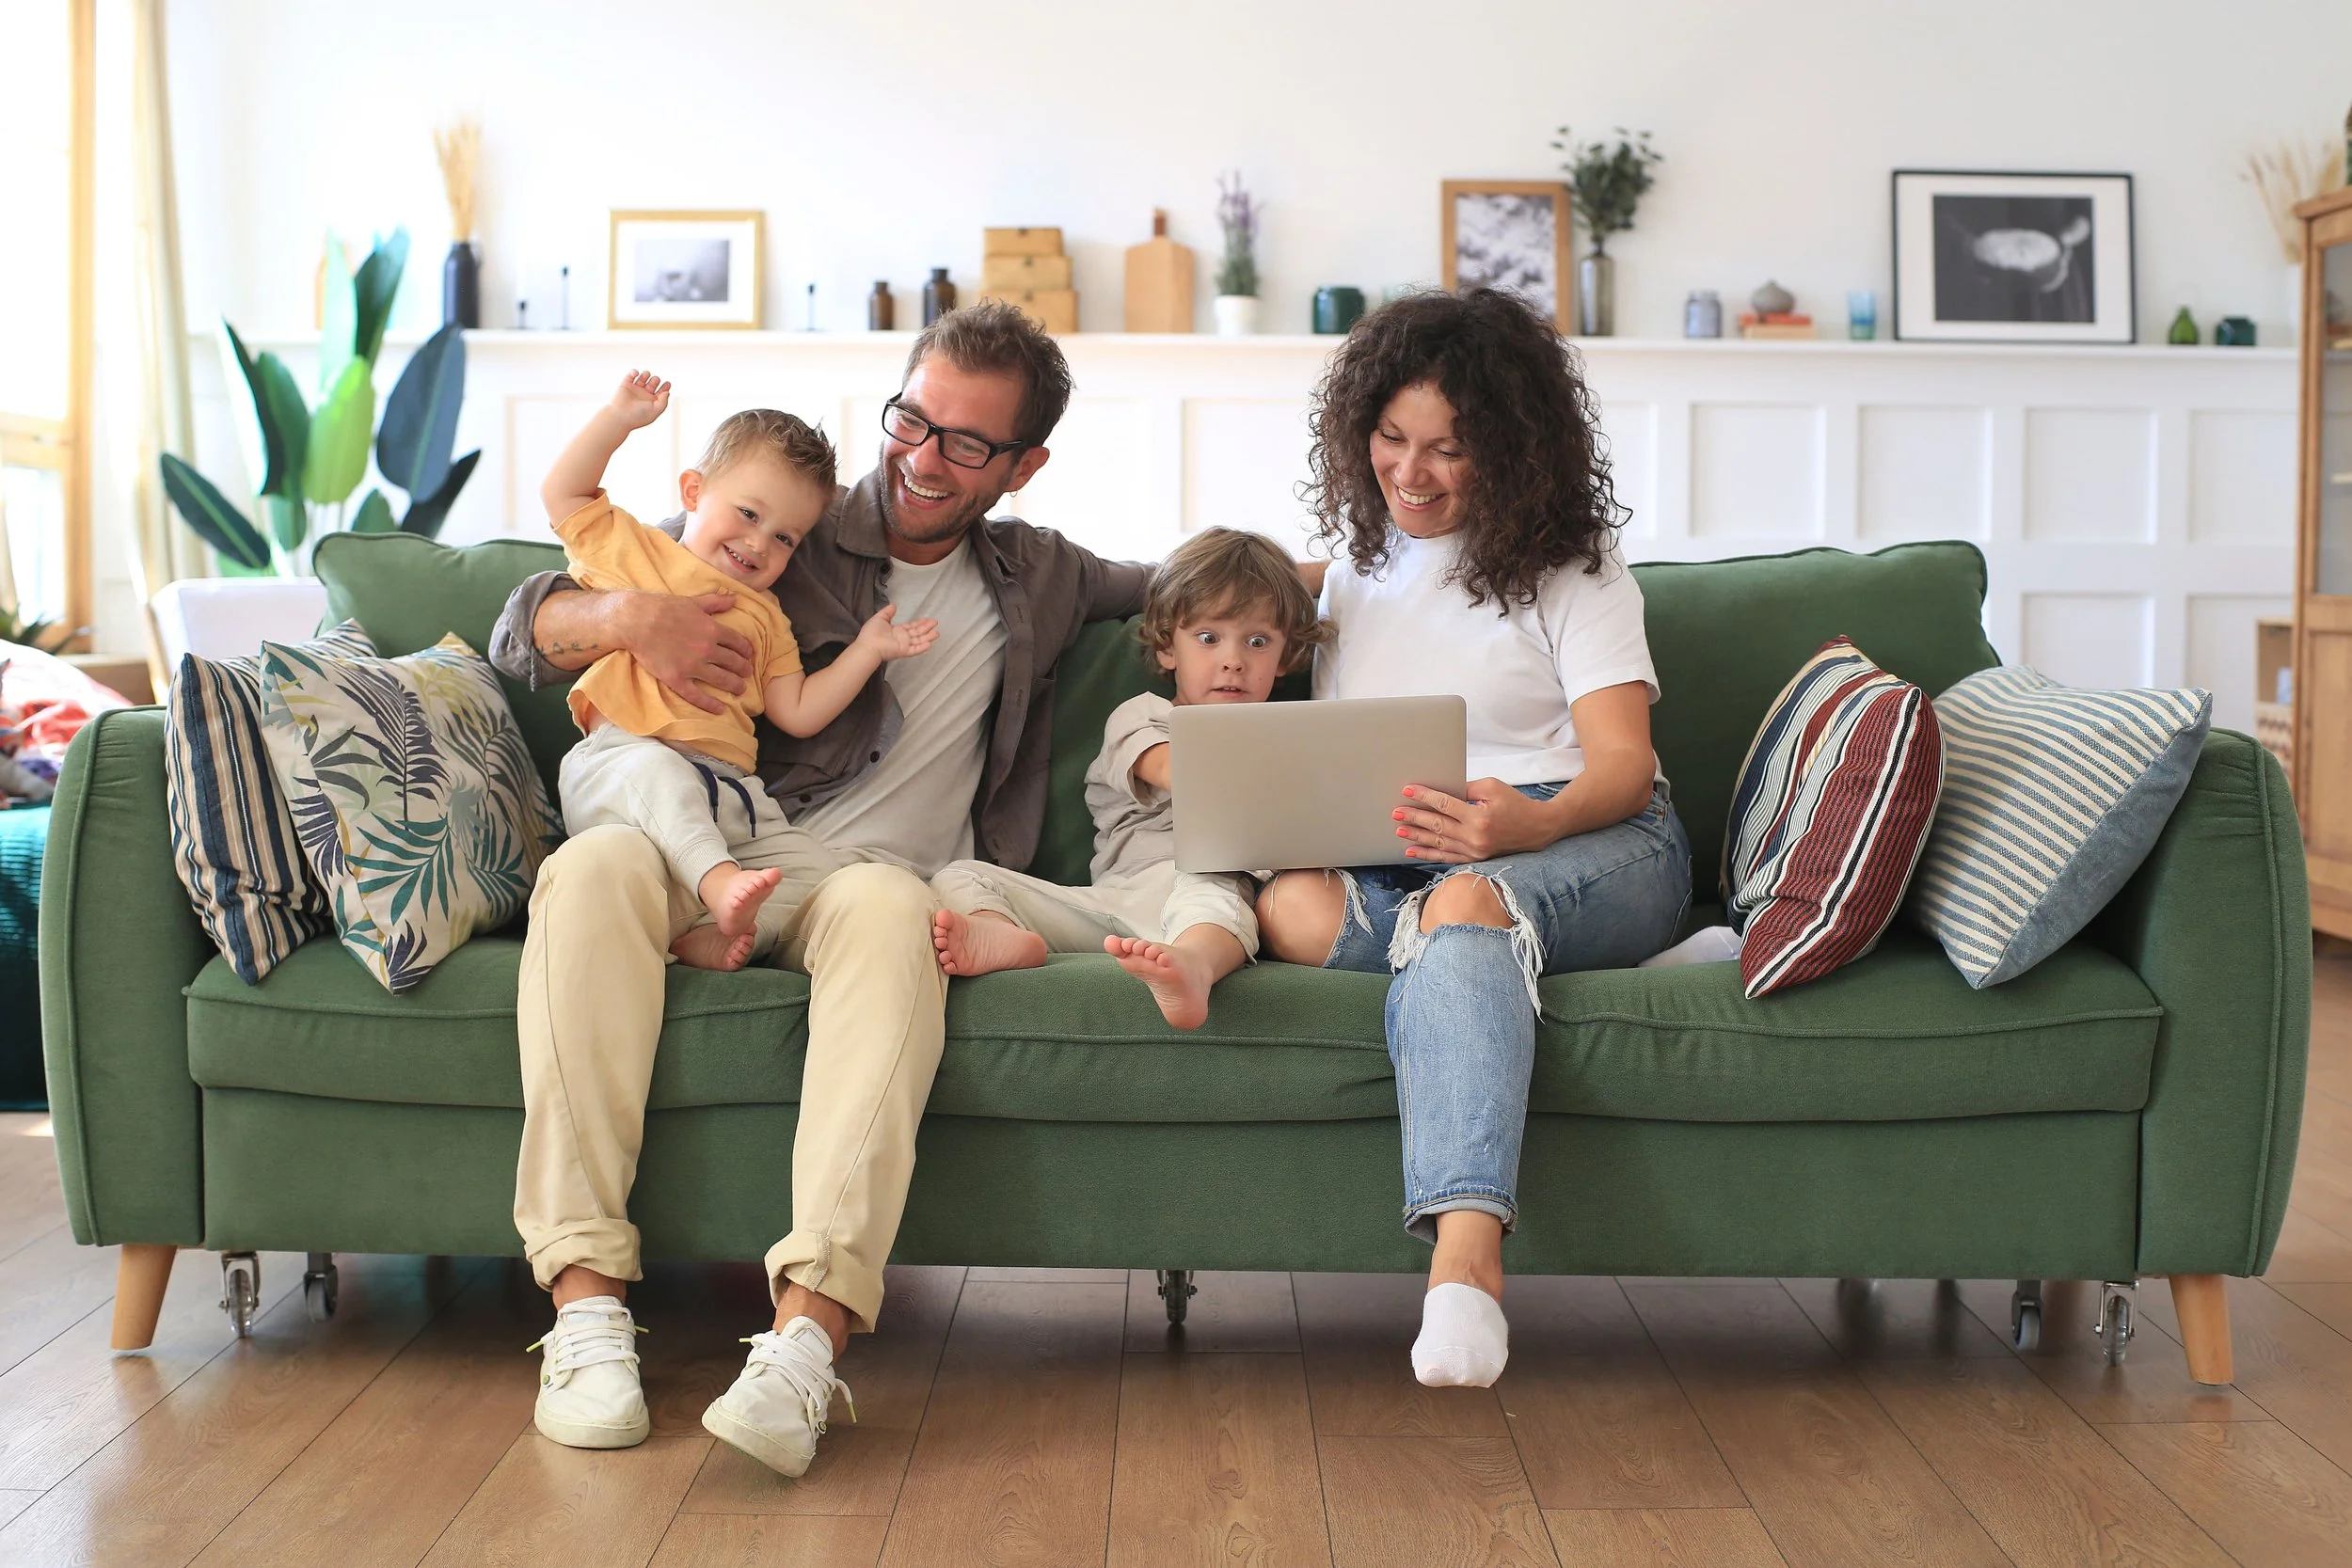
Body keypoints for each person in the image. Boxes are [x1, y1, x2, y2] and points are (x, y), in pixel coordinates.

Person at [490, 302, 1153, 1478]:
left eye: (964, 442)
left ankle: (805, 1341)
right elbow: (528, 619)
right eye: (912, 416)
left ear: (1023, 464)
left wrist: (1380, 570)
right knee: (588, 866)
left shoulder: (1040, 573)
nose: (920, 454)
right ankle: (585, 1310)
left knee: (899, 906)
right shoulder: (774, 518)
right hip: (709, 834)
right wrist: (624, 616)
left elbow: (1188, 585)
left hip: (832, 881)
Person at [1254, 288, 1692, 1390]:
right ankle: (1496, 963)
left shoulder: (1574, 567)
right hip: (1407, 854)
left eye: (1449, 449)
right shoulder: (1356, 562)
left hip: (1590, 837)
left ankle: (1464, 1265)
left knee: (1465, 907)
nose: (1412, 472)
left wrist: (1528, 821)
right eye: (1392, 439)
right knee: (1287, 908)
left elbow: (1622, 766)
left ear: (1511, 448)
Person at [540, 372, 937, 971]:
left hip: (729, 790)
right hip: (623, 760)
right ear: (693, 491)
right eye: (748, 512)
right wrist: (618, 418)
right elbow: (564, 495)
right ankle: (717, 883)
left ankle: (707, 931)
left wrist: (867, 651)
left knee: (818, 871)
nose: (759, 543)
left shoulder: (768, 617)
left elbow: (797, 712)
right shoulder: (639, 553)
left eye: (784, 537)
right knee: (660, 775)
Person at [928, 527, 1328, 1028]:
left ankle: (1192, 970)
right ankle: (1000, 929)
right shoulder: (1143, 718)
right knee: (959, 874)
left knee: (1212, 886)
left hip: (1206, 899)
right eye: (1207, 638)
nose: (1233, 660)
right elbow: (1176, 770)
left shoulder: (1297, 738)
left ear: (1286, 656)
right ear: (1167, 649)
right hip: (1115, 904)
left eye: (1257, 641)